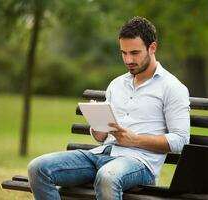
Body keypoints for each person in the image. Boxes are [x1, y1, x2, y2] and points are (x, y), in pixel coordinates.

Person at [27, 16, 190, 200]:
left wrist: (135, 140)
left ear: (152, 48)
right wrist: (98, 126)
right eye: (124, 53)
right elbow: (101, 137)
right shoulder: (116, 85)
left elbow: (180, 140)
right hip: (102, 154)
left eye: (135, 53)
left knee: (107, 177)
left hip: (139, 163)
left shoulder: (172, 88)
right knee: (38, 168)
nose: (128, 60)